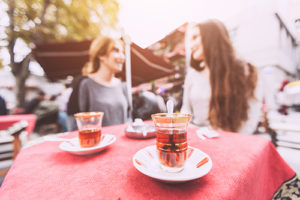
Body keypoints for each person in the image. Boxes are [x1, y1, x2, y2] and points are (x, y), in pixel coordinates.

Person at [181, 20, 263, 134]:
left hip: (231, 142)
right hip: (199, 139)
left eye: (195, 37)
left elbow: (251, 115)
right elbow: (186, 111)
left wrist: (233, 142)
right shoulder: (192, 75)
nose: (191, 46)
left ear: (212, 37)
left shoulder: (245, 71)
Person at [76, 35, 131, 127]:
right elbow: (79, 122)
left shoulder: (123, 86)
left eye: (122, 52)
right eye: (116, 50)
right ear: (101, 55)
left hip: (122, 140)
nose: (122, 57)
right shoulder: (86, 85)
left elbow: (128, 118)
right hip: (99, 140)